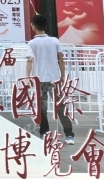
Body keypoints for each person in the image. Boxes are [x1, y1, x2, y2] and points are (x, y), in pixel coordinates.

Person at [26, 14, 75, 144]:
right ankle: (69, 135)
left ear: (33, 26)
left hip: (39, 79)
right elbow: (61, 59)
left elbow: (30, 61)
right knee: (60, 107)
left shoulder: (31, 43)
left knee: (42, 108)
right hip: (55, 78)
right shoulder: (55, 41)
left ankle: (44, 133)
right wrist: (63, 75)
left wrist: (27, 77)